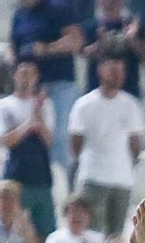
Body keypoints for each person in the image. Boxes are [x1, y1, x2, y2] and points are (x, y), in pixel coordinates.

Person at [68, 57, 142, 235]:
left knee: (115, 234)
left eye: (120, 72)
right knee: (91, 232)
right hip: (93, 176)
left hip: (121, 179)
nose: (117, 76)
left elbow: (135, 142)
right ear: (100, 71)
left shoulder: (130, 105)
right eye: (112, 71)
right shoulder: (85, 105)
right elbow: (76, 142)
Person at [10, 0, 83, 170]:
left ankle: (63, 182)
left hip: (59, 83)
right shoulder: (20, 14)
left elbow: (76, 40)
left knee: (58, 137)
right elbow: (15, 45)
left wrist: (47, 48)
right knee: (32, 136)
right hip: (31, 86)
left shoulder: (58, 8)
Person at [0, 61, 58, 238]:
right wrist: (28, 124)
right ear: (15, 76)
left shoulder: (45, 105)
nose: (26, 78)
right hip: (16, 176)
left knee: (45, 231)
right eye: (22, 73)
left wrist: (38, 118)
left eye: (30, 74)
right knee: (15, 229)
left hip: (41, 175)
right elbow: (6, 140)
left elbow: (49, 142)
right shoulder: (5, 105)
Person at [82, 0, 145, 100]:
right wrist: (99, 44)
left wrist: (132, 41)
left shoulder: (135, 27)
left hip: (129, 92)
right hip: (97, 92)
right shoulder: (90, 27)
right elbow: (84, 52)